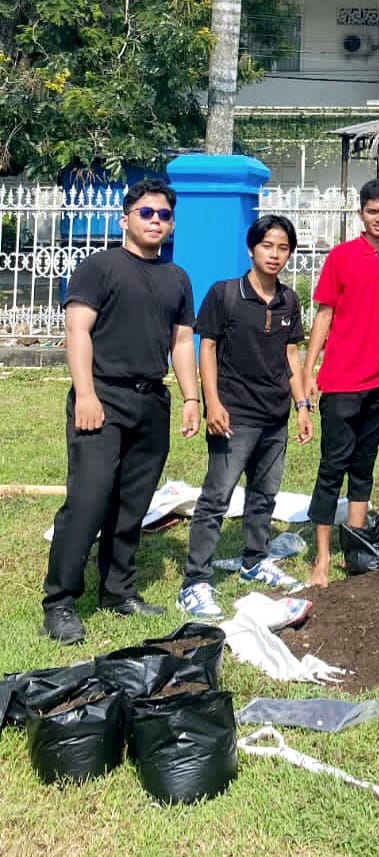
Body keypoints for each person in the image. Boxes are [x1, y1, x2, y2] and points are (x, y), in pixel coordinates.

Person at [41, 179, 201, 645]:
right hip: (103, 397)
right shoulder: (99, 267)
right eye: (147, 213)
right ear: (125, 218)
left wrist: (191, 398)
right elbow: (78, 331)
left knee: (133, 504)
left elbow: (181, 341)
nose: (156, 221)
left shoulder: (177, 277)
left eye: (164, 215)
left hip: (151, 401)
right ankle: (60, 602)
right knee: (89, 500)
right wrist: (85, 394)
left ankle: (118, 591)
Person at [177, 215, 314, 620]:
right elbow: (207, 349)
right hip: (234, 415)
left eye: (283, 248)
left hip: (276, 415)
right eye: (268, 246)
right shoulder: (225, 294)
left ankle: (255, 559)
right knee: (216, 497)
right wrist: (211, 403)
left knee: (264, 495)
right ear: (252, 249)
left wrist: (302, 405)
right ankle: (195, 581)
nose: (275, 254)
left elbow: (291, 354)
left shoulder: (289, 300)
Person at [301, 179, 379, 587]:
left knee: (364, 464)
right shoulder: (341, 257)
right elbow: (323, 314)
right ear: (361, 214)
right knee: (332, 465)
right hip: (340, 380)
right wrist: (308, 369)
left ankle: (353, 545)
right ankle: (321, 557)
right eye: (373, 211)